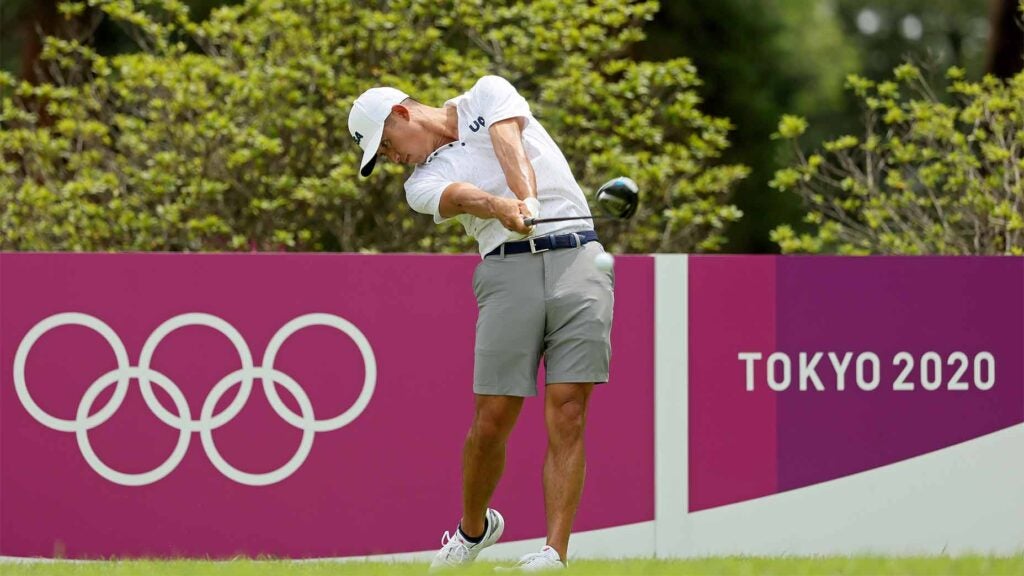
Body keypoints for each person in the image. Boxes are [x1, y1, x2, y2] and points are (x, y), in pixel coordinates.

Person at [348, 75, 614, 571]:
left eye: (385, 144)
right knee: (492, 417)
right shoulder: (419, 183)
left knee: (569, 409)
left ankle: (554, 553)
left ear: (402, 114)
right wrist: (501, 209)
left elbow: (507, 140)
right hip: (506, 268)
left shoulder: (486, 93)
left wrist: (526, 200)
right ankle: (474, 530)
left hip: (578, 257)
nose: (390, 157)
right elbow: (466, 197)